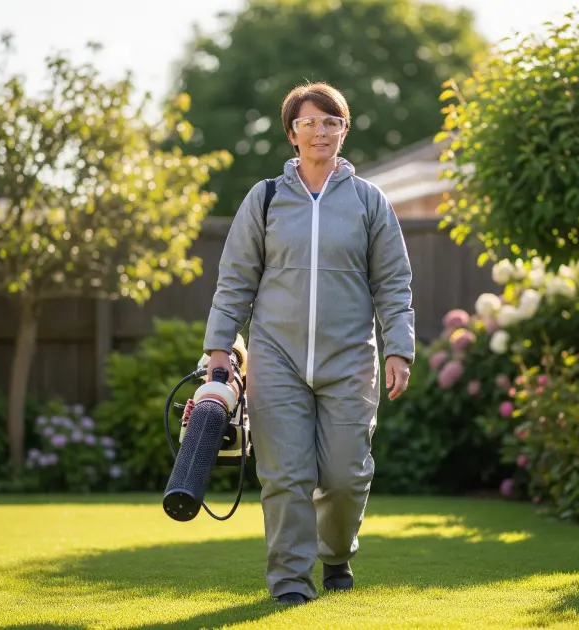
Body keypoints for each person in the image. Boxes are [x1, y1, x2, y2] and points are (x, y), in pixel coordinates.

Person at [202, 81, 416, 606]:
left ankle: (336, 553)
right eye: (309, 122)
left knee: (345, 476)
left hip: (350, 358)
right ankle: (291, 584)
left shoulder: (369, 201)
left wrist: (398, 348)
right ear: (292, 134)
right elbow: (235, 280)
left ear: (344, 130)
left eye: (331, 122)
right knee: (285, 477)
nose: (320, 131)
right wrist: (219, 350)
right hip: (276, 358)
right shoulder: (265, 199)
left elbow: (393, 282)